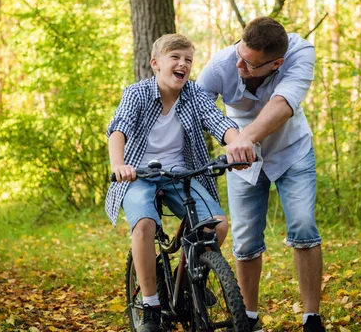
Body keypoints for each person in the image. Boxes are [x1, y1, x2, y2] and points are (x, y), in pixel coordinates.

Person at [197, 17, 326, 332]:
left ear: (276, 64)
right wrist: (233, 138)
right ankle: (248, 318)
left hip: (290, 151)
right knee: (245, 240)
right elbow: (197, 104)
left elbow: (282, 104)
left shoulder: (300, 52)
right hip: (240, 158)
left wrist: (246, 137)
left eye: (251, 64)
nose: (240, 64)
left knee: (303, 226)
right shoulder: (221, 64)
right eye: (240, 54)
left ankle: (312, 318)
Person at [105, 33, 241, 332]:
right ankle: (152, 304)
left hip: (180, 174)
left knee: (216, 225)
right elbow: (119, 129)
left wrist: (237, 145)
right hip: (139, 174)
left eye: (188, 59)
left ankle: (192, 275)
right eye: (175, 58)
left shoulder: (194, 95)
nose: (183, 64)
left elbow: (220, 123)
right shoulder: (137, 93)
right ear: (156, 64)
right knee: (144, 225)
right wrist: (119, 165)